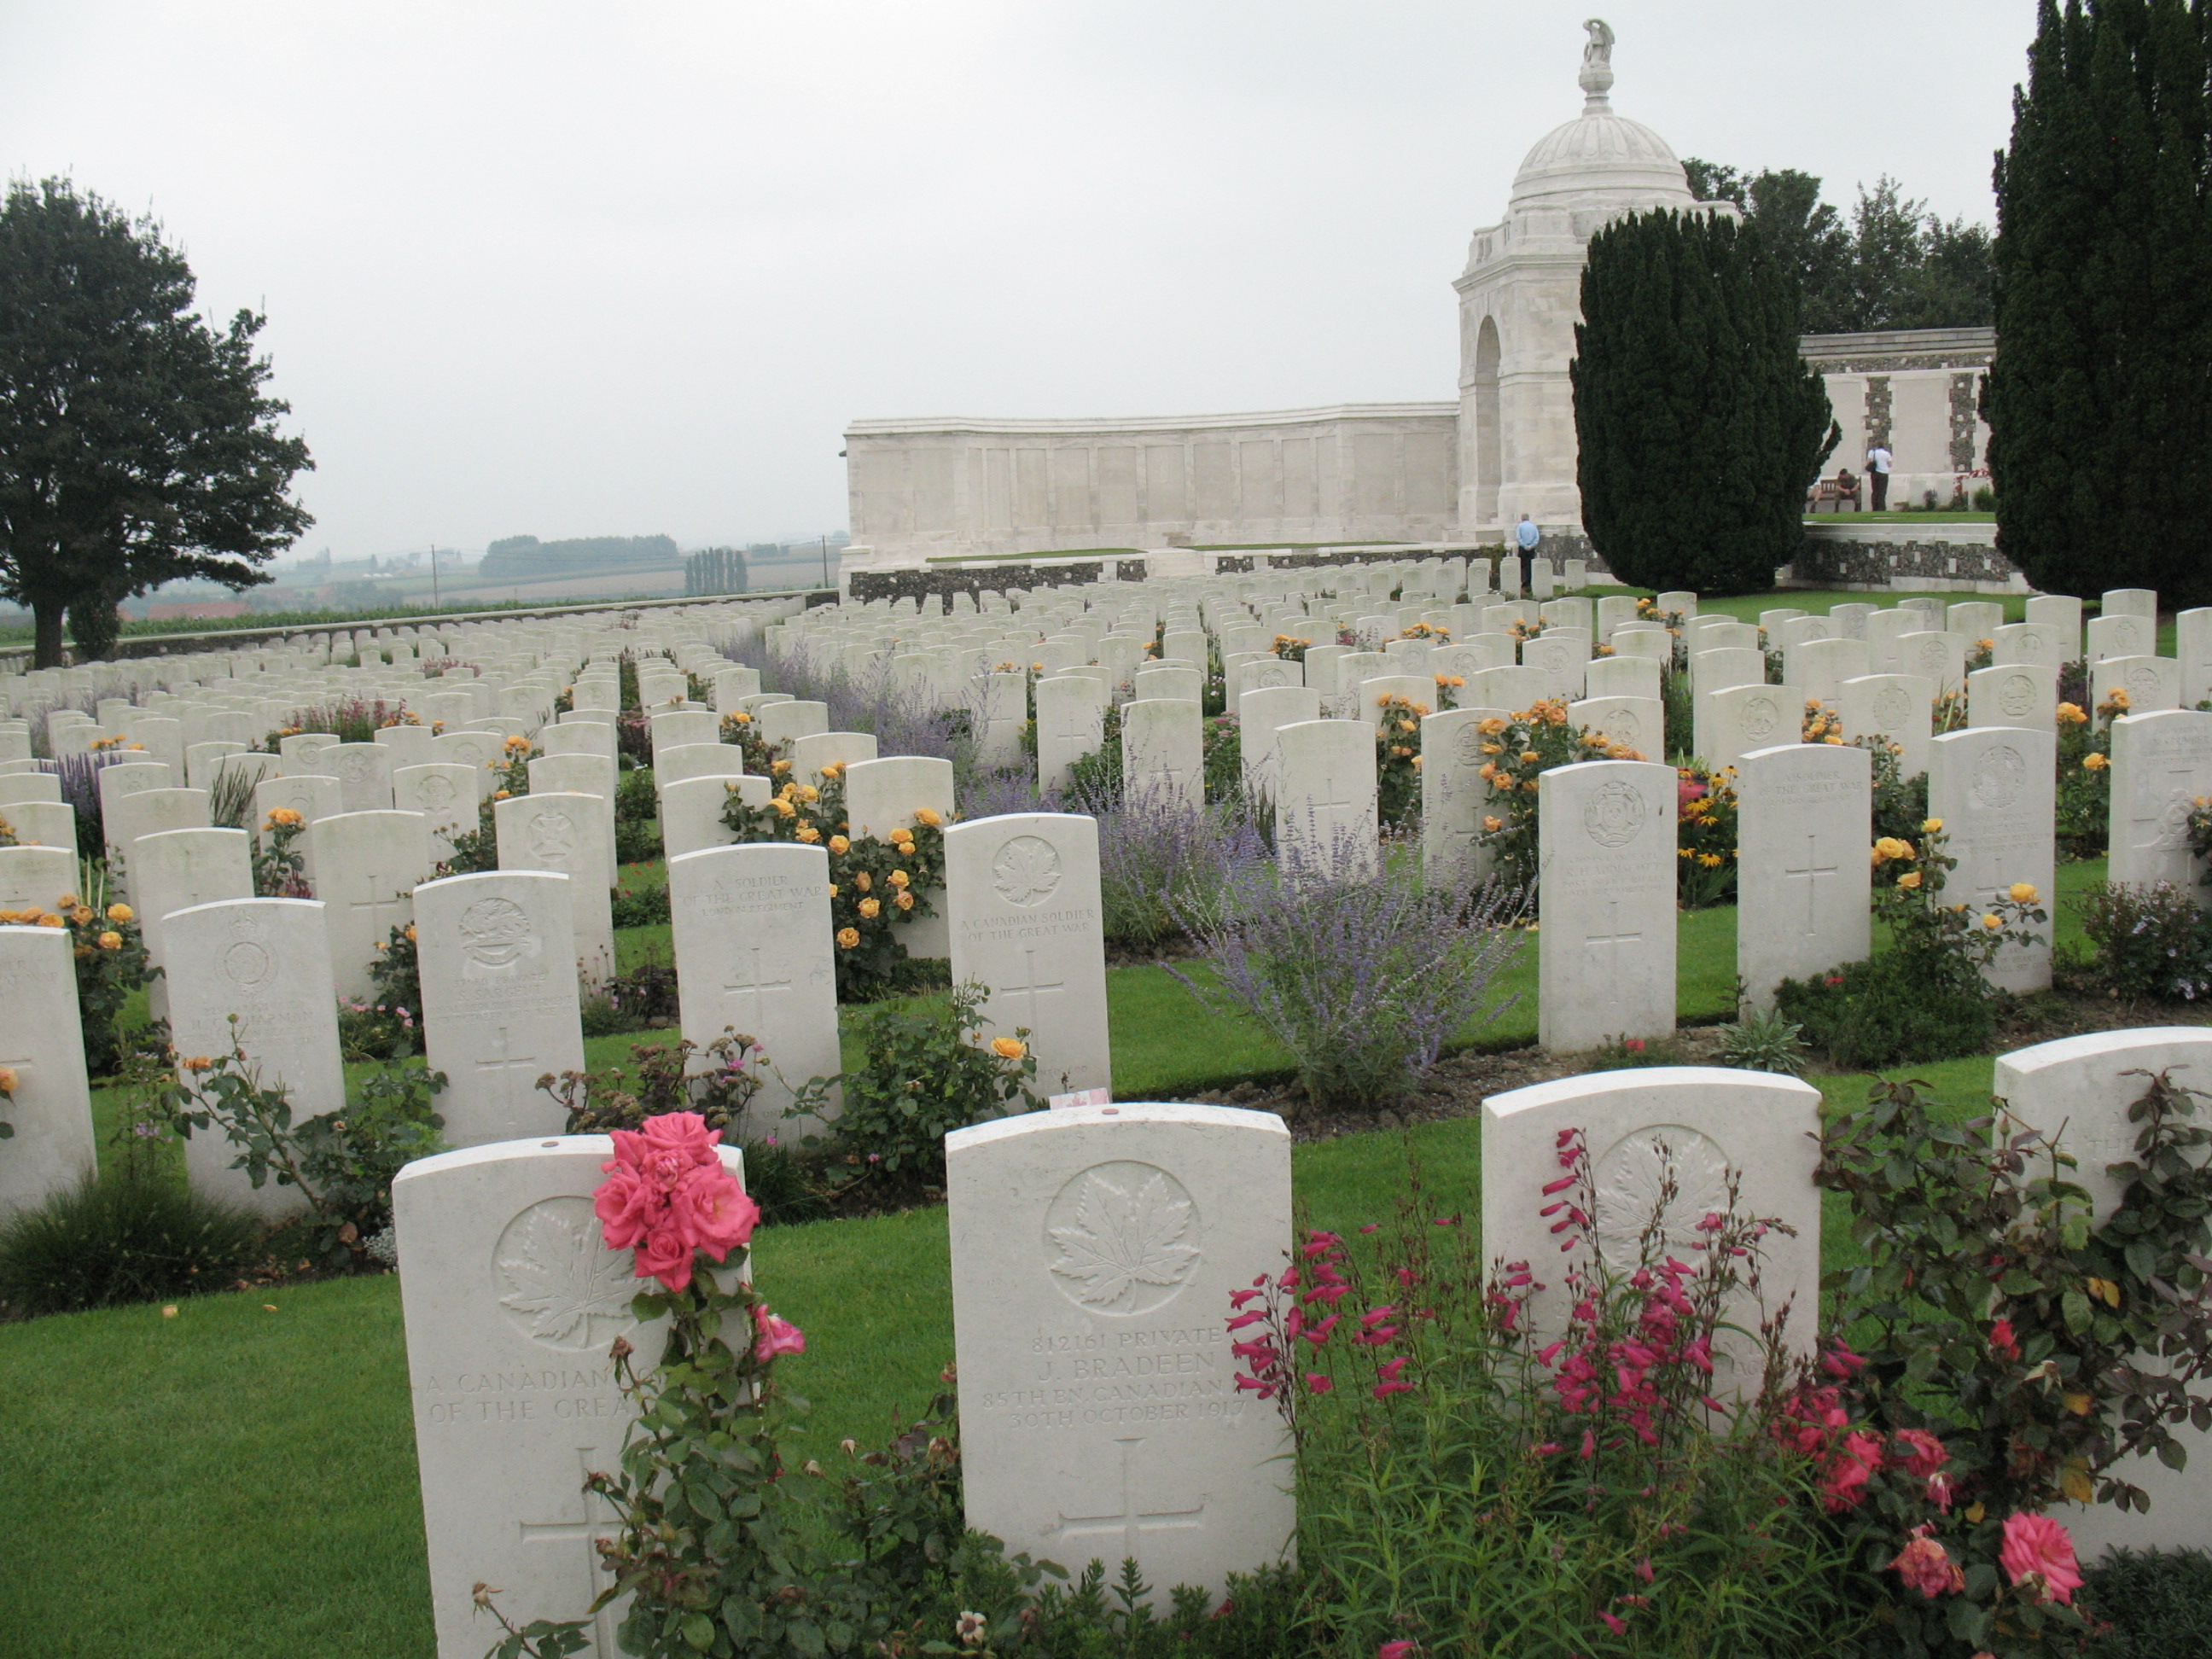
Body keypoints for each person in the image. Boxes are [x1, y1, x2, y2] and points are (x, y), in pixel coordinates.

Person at [1515, 514, 1541, 591]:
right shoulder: (1533, 526)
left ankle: (1523, 581)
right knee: (1529, 565)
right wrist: (1531, 546)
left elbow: (1518, 537)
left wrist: (1524, 545)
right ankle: (1529, 582)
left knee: (1522, 565)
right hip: (1531, 548)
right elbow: (1537, 538)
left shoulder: (1520, 526)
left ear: (1522, 518)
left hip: (1523, 548)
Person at [1866, 441, 1893, 511]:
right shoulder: (1887, 453)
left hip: (1875, 473)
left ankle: (1875, 507)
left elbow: (1868, 462)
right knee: (1882, 492)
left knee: (1875, 491)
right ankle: (1882, 507)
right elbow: (1890, 465)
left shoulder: (1872, 452)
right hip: (1884, 473)